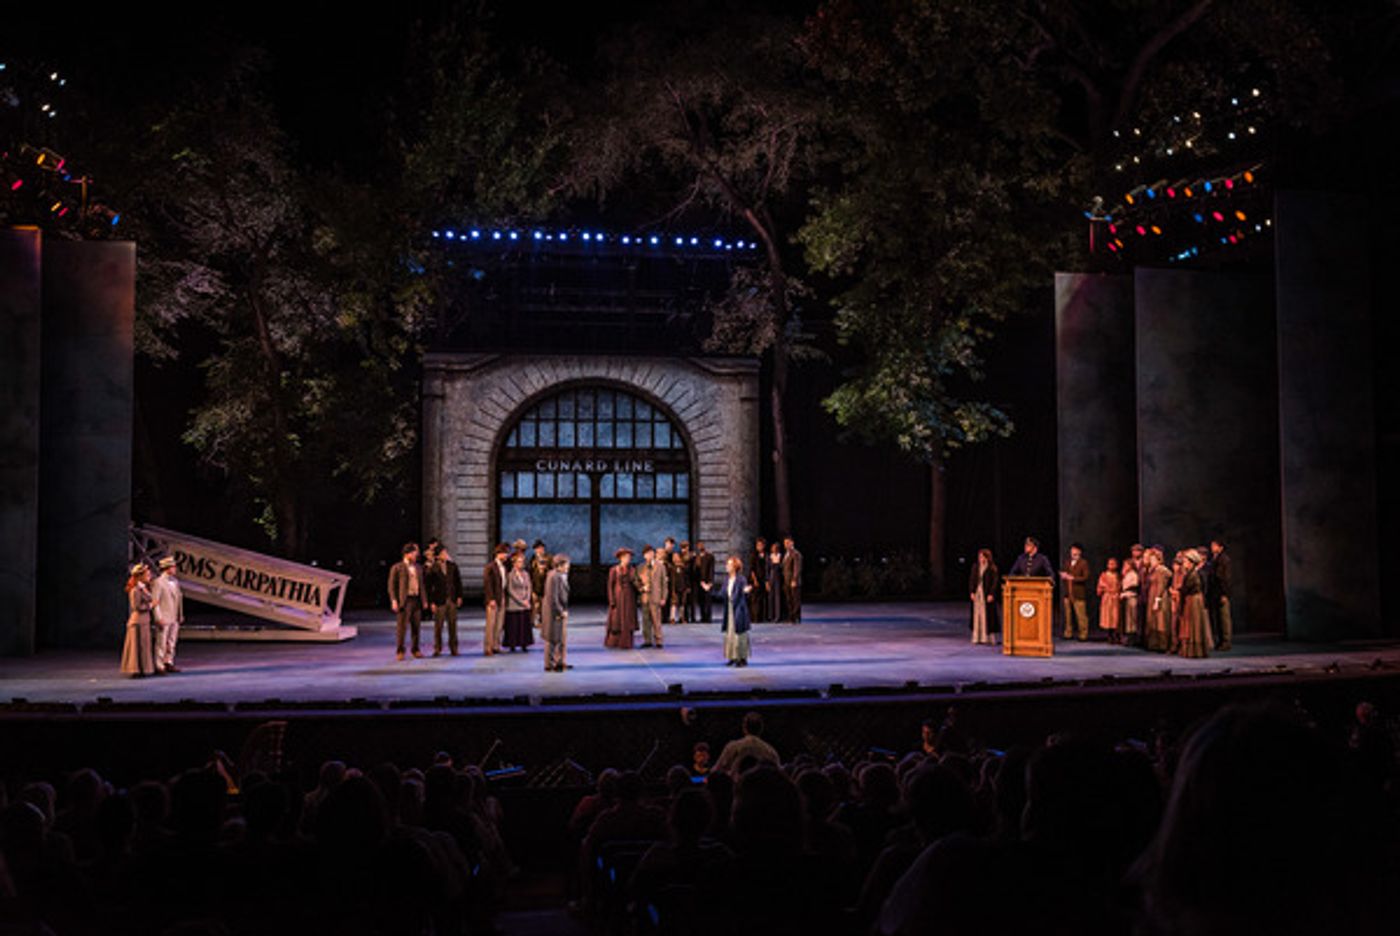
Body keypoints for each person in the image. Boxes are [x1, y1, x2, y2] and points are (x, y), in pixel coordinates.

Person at [704, 554, 753, 667]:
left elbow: (744, 592)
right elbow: (721, 594)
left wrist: (746, 591)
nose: (727, 566)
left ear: (735, 567)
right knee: (730, 634)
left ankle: (742, 658)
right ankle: (732, 657)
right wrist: (709, 590)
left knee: (739, 634)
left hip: (739, 609)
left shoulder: (741, 579)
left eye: (729, 564)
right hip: (729, 609)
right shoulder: (727, 580)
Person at [387, 542, 425, 661]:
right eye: (414, 553)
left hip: (416, 599)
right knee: (402, 628)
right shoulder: (397, 567)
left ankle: (415, 649)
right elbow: (391, 586)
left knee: (416, 627)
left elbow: (422, 585)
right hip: (405, 600)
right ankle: (400, 650)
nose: (416, 555)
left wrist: (424, 600)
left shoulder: (418, 567)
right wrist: (394, 600)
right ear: (407, 554)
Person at [425, 544, 463, 656]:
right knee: (438, 626)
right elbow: (429, 586)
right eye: (443, 553)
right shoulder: (433, 568)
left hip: (451, 599)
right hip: (439, 600)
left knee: (453, 625)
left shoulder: (452, 566)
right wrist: (431, 602)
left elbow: (458, 582)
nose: (445, 555)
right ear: (437, 556)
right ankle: (437, 648)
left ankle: (454, 648)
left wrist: (459, 596)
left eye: (446, 552)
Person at [121, 563, 157, 677]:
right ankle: (134, 669)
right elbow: (136, 606)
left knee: (143, 646)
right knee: (136, 647)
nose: (149, 577)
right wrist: (150, 606)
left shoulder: (144, 588)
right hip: (137, 622)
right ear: (140, 576)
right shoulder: (135, 590)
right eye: (147, 575)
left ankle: (143, 669)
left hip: (144, 621)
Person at [151, 556, 184, 673]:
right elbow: (155, 602)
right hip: (164, 617)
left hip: (174, 616)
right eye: (173, 567)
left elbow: (179, 599)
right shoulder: (158, 582)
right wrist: (158, 617)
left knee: (171, 642)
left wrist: (180, 614)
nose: (175, 569)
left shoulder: (175, 581)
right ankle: (159, 665)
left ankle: (168, 661)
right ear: (167, 568)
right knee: (161, 642)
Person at [1175, 549, 1211, 658]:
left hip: (1194, 600)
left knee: (1194, 624)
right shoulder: (1190, 573)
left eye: (1186, 561)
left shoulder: (1194, 574)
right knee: (1189, 624)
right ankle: (1189, 650)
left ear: (1191, 562)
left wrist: (1178, 591)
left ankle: (1195, 650)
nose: (1184, 563)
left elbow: (1188, 588)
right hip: (1191, 599)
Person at [542, 554, 571, 672]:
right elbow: (552, 598)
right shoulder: (553, 576)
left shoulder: (562, 575)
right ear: (560, 565)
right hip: (553, 612)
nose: (568, 567)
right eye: (566, 564)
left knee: (561, 638)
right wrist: (560, 611)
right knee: (552, 638)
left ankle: (559, 662)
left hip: (561, 610)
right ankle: (549, 664)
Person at [606, 547, 639, 649]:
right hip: (618, 596)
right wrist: (612, 600)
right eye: (626, 557)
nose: (628, 559)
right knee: (617, 618)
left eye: (629, 557)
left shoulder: (632, 569)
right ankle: (615, 641)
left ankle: (626, 642)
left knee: (628, 618)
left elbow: (636, 583)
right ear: (621, 558)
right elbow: (610, 585)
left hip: (629, 596)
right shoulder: (614, 570)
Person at [1204, 538, 1233, 651]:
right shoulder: (1214, 559)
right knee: (1218, 619)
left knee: (1224, 618)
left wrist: (1224, 594)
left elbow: (1225, 578)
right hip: (1215, 593)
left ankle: (1226, 641)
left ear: (1220, 547)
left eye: (1215, 545)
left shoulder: (1224, 559)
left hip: (1221, 592)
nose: (1212, 547)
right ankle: (1220, 641)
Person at [482, 543, 509, 656]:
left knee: (499, 623)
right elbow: (487, 584)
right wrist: (490, 599)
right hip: (493, 599)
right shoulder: (490, 567)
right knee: (491, 624)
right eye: (505, 553)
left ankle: (496, 645)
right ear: (499, 554)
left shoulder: (504, 567)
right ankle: (488, 647)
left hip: (501, 596)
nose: (506, 556)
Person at [503, 551, 533, 652]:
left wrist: (527, 599)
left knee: (524, 625)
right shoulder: (510, 575)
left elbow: (529, 587)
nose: (521, 564)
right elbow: (510, 590)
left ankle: (524, 644)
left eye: (522, 562)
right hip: (514, 604)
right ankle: (512, 644)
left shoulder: (526, 574)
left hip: (525, 603)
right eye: (519, 562)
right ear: (514, 563)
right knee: (514, 625)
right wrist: (521, 601)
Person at [1059, 542, 1090, 640]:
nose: (1073, 552)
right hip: (1068, 592)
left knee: (1081, 615)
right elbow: (1064, 572)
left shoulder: (1083, 563)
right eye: (1072, 550)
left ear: (1079, 552)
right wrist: (1063, 575)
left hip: (1078, 593)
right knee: (1068, 615)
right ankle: (1068, 633)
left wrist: (1073, 578)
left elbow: (1085, 577)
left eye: (1075, 550)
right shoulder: (1067, 562)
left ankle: (1083, 634)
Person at [1144, 547, 1173, 652]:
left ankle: (1162, 645)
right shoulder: (1153, 570)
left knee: (1160, 620)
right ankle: (1154, 644)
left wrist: (1157, 599)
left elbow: (1161, 585)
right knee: (1153, 620)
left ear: (1159, 560)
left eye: (1153, 560)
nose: (1151, 562)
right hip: (1153, 595)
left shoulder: (1161, 570)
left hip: (1160, 597)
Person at [968, 548, 999, 645]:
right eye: (980, 557)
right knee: (977, 614)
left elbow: (994, 583)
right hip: (978, 593)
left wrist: (991, 594)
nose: (981, 559)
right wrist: (972, 591)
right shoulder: (975, 567)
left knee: (987, 615)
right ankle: (977, 637)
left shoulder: (992, 568)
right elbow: (972, 580)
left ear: (987, 558)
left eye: (983, 557)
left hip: (986, 593)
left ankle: (987, 638)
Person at [640, 545, 668, 649]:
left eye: (651, 553)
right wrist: (642, 588)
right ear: (644, 556)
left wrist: (663, 597)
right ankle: (647, 640)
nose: (650, 555)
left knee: (657, 620)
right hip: (645, 597)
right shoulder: (640, 567)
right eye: (647, 553)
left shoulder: (660, 566)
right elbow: (636, 582)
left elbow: (664, 583)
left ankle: (659, 640)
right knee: (646, 620)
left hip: (656, 597)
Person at [1097, 558, 1122, 644]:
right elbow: (1100, 586)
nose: (1112, 566)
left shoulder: (1118, 575)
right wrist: (1105, 590)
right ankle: (1109, 635)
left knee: (1115, 616)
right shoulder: (1104, 575)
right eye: (1110, 564)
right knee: (1107, 617)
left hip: (1115, 597)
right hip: (1107, 597)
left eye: (1113, 564)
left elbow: (1120, 585)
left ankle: (1115, 634)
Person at [1119, 556, 1140, 647]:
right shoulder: (1126, 575)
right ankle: (1128, 635)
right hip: (1126, 597)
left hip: (1132, 597)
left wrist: (1125, 591)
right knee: (1128, 618)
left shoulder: (1133, 574)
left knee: (1132, 618)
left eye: (1126, 565)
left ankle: (1133, 637)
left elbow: (1134, 586)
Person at [781, 536, 803, 624]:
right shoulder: (786, 554)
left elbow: (797, 568)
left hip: (794, 581)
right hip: (786, 580)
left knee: (795, 600)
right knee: (789, 599)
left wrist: (794, 579)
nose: (786, 545)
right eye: (785, 543)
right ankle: (791, 617)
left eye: (787, 543)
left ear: (792, 543)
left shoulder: (796, 554)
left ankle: (796, 617)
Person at [748, 537, 769, 623]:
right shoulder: (753, 555)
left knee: (762, 599)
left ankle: (762, 617)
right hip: (755, 579)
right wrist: (755, 580)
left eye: (761, 545)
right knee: (755, 599)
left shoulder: (766, 555)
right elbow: (752, 569)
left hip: (763, 579)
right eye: (758, 545)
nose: (759, 547)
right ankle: (754, 617)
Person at [695, 542, 716, 623]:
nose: (700, 547)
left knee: (708, 600)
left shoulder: (710, 556)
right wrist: (700, 582)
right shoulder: (697, 557)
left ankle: (708, 617)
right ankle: (703, 617)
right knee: (701, 601)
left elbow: (711, 570)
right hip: (700, 582)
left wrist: (710, 582)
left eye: (701, 545)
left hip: (708, 581)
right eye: (698, 546)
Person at [670, 550, 692, 628]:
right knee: (674, 603)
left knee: (682, 603)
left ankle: (681, 617)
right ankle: (672, 618)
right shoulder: (672, 568)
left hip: (683, 587)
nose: (675, 558)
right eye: (674, 557)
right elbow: (671, 579)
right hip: (674, 587)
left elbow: (687, 578)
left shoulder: (684, 567)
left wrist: (688, 586)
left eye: (677, 557)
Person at [766, 542, 784, 623]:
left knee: (778, 598)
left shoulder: (781, 556)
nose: (774, 549)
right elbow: (767, 569)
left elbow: (783, 567)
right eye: (773, 548)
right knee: (770, 597)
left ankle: (778, 616)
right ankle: (771, 616)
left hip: (779, 578)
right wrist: (767, 581)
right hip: (771, 578)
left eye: (776, 548)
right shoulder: (769, 557)